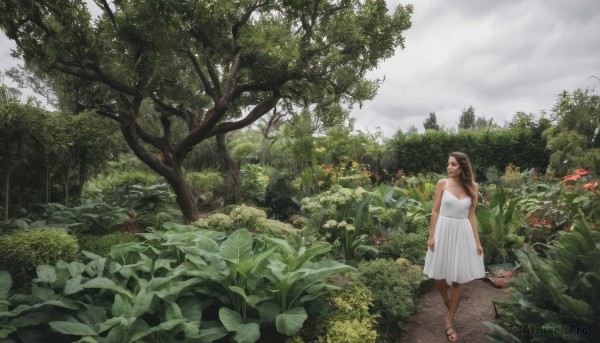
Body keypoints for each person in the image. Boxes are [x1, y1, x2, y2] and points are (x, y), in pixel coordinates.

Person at [423, 151, 485, 342]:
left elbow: (471, 216)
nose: (449, 167)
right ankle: (448, 301)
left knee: (459, 279)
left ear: (462, 167)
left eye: (453, 164)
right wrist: (431, 236)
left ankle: (449, 322)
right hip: (443, 230)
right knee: (437, 274)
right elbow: (434, 212)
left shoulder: (473, 186)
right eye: (448, 164)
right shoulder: (442, 183)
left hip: (462, 232)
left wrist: (477, 242)